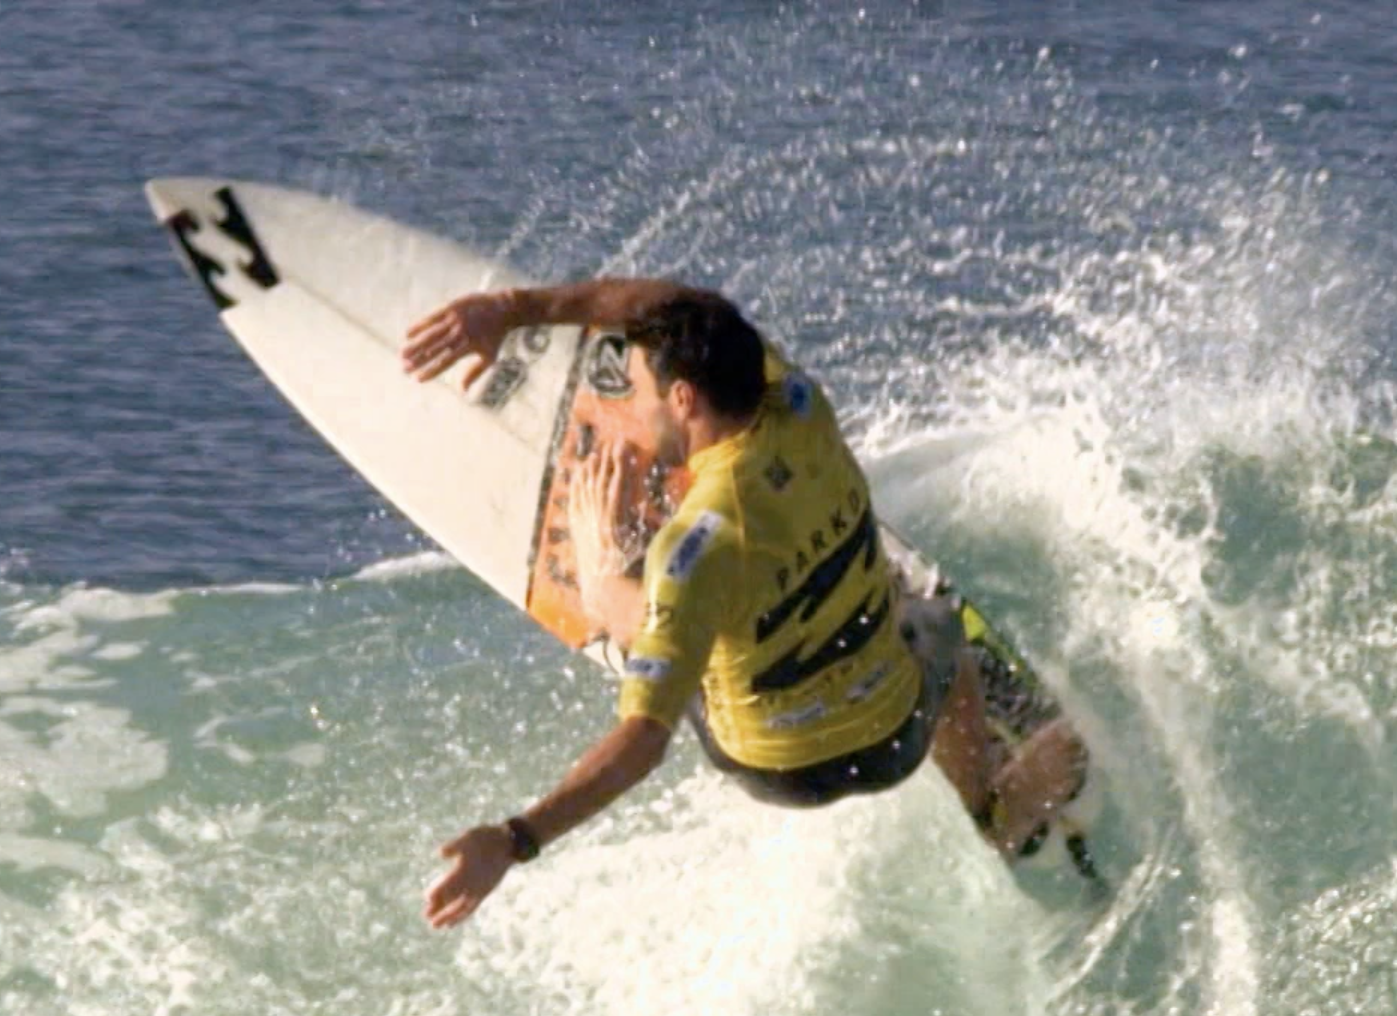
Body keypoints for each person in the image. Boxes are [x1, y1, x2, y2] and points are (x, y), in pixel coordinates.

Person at [401, 281, 1078, 929]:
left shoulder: (695, 549)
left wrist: (514, 839)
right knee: (938, 627)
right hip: (894, 738)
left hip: (773, 768)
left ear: (684, 399)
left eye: (638, 391)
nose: (631, 406)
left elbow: (643, 741)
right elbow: (673, 303)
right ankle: (990, 806)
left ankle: (627, 593)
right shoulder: (800, 403)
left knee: (664, 622)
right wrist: (515, 308)